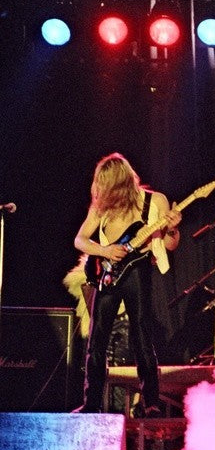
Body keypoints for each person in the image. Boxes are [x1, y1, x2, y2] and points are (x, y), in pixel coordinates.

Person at [73, 153, 182, 417]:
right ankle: (92, 403)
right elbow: (80, 240)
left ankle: (151, 403)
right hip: (108, 273)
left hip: (138, 271)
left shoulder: (154, 201)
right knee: (97, 338)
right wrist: (106, 250)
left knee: (142, 335)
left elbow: (169, 244)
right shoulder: (101, 208)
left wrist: (172, 229)